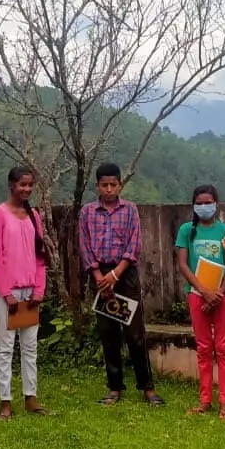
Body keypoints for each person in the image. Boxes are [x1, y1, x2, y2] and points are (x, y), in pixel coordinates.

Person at [78, 162, 163, 407]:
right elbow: (85, 246)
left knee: (135, 333)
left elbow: (134, 245)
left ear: (120, 185)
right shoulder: (87, 212)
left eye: (113, 184)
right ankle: (114, 387)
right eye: (104, 185)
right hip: (100, 276)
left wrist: (115, 275)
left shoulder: (130, 210)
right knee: (108, 333)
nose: (109, 189)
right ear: (97, 186)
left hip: (125, 275)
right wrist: (99, 277)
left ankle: (147, 387)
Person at [0, 167, 50, 419]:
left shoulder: (34, 216)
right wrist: (6, 293)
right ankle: (5, 401)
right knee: (5, 347)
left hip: (30, 292)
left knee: (30, 346)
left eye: (30, 185)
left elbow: (40, 256)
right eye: (22, 184)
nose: (26, 189)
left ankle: (30, 397)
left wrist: (39, 290)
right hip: (8, 292)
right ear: (11, 185)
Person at [174, 184, 225, 419]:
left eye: (207, 202)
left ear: (216, 203)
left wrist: (219, 293)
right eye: (198, 203)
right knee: (203, 348)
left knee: (223, 348)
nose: (203, 207)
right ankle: (205, 400)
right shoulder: (186, 230)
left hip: (223, 296)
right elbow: (183, 264)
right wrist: (203, 291)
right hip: (196, 295)